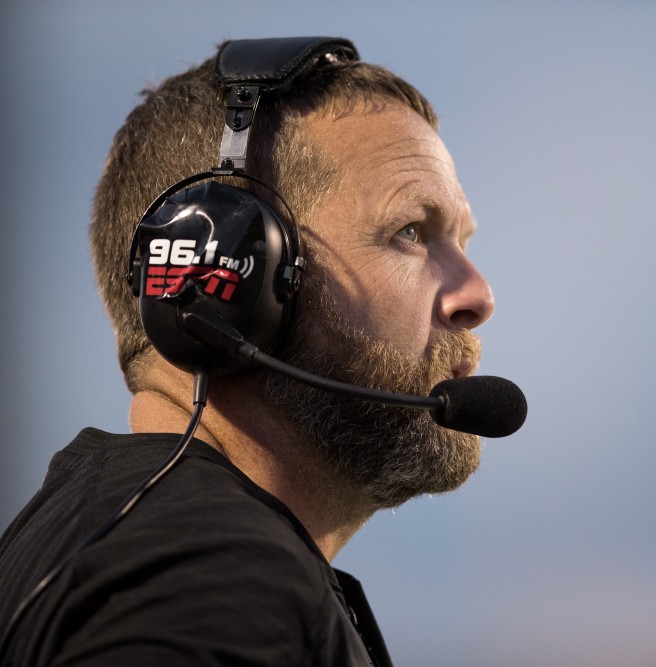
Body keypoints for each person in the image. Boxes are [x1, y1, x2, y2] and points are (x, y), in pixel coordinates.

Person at [0, 36, 504, 666]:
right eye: (410, 232)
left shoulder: (131, 536)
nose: (477, 294)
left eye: (460, 240)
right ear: (230, 280)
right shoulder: (204, 578)